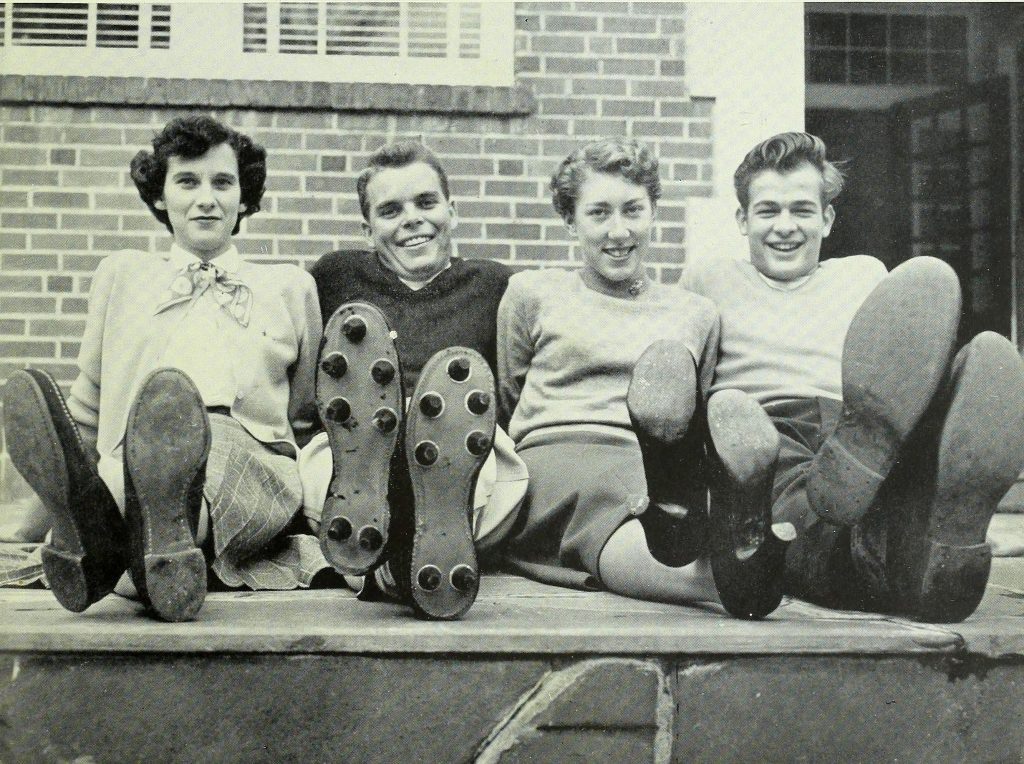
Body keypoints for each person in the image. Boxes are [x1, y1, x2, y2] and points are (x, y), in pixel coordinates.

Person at [682, 131, 1024, 622]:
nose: (785, 226)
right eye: (767, 211)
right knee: (800, 514)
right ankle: (931, 551)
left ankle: (922, 509)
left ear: (827, 218)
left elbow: (901, 376)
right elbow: (690, 389)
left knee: (874, 474)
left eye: (801, 210)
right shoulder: (708, 279)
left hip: (861, 425)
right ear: (742, 219)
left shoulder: (863, 275)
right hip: (766, 434)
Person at [2, 115, 332, 622]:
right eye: (187, 182)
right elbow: (87, 411)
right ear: (160, 197)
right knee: (122, 472)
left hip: (248, 459)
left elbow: (305, 415)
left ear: (245, 199)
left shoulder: (290, 287)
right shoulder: (122, 275)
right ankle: (137, 547)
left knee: (197, 469)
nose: (207, 198)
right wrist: (24, 528)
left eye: (223, 183)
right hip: (132, 452)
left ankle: (114, 551)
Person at [496, 137, 793, 619]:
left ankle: (713, 547)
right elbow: (511, 395)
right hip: (558, 454)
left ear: (654, 211)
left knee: (658, 483)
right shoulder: (533, 292)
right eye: (599, 213)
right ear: (571, 220)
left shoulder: (696, 313)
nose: (619, 231)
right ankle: (727, 578)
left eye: (633, 210)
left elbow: (686, 407)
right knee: (612, 502)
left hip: (653, 459)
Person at [298, 142, 528, 620]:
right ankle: (399, 557)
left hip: (459, 447)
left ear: (451, 210)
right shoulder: (335, 277)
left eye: (426, 203)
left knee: (488, 467)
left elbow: (509, 395)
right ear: (368, 229)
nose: (412, 219)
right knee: (328, 465)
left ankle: (401, 554)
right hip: (355, 446)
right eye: (390, 210)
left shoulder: (496, 286)